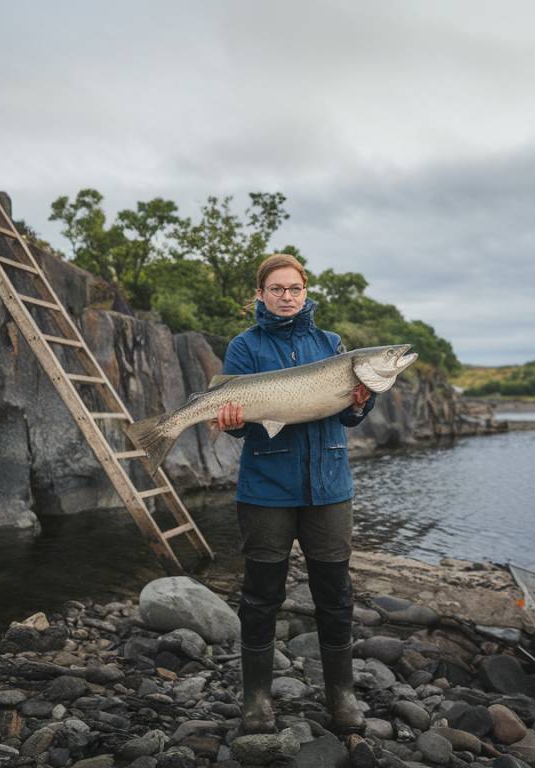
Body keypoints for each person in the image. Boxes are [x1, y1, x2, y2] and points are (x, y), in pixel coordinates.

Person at [215, 253, 375, 735]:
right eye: (278, 289)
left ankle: (342, 695)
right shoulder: (244, 347)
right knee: (261, 595)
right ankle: (257, 699)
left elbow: (346, 417)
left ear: (306, 293)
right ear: (260, 294)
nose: (288, 297)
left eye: (295, 289)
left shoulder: (332, 346)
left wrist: (360, 405)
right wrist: (232, 424)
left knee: (336, 593)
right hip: (265, 490)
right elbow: (243, 429)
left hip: (329, 488)